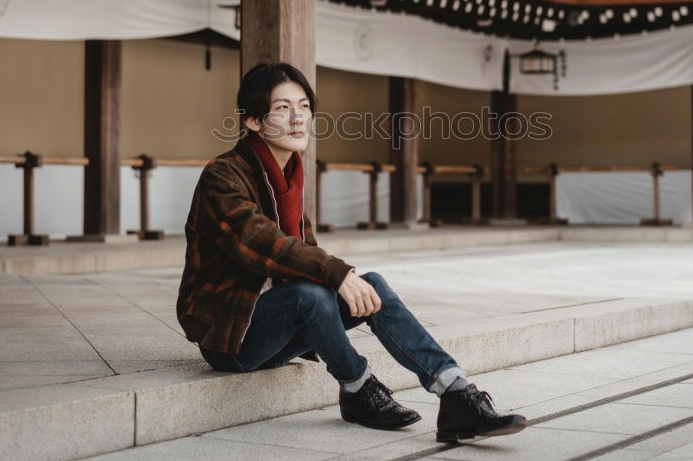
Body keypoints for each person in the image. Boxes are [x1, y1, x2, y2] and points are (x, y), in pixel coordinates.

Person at [177, 62, 527, 442]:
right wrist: (337, 273)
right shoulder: (224, 175)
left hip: (277, 326)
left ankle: (456, 392)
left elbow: (302, 252)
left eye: (304, 106)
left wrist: (344, 278)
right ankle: (358, 388)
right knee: (311, 293)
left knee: (371, 283)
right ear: (253, 122)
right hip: (230, 338)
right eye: (281, 108)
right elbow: (259, 241)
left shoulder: (288, 175)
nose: (298, 118)